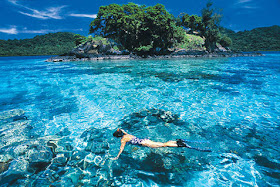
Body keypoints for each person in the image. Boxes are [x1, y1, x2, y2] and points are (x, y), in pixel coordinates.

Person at [112, 128, 211, 160]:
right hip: (145, 140)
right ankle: (178, 142)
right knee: (163, 144)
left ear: (118, 136)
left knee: (164, 145)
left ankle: (179, 144)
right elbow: (121, 129)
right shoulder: (127, 134)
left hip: (145, 143)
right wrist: (118, 129)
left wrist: (117, 156)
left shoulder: (123, 140)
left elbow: (121, 148)